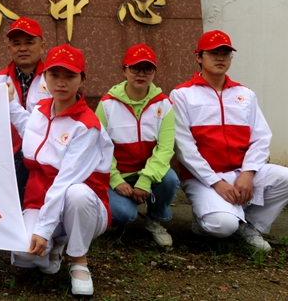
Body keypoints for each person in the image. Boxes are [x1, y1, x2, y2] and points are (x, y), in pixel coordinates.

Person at [172, 30, 288, 252]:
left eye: (225, 53)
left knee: (285, 177)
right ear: (199, 57)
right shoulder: (182, 94)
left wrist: (248, 172)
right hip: (203, 178)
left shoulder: (245, 94)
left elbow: (261, 137)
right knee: (222, 226)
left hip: (240, 172)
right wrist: (216, 182)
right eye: (213, 53)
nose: (220, 58)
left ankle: (249, 224)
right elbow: (184, 147)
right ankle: (205, 219)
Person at [11, 45, 113, 297]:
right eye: (54, 75)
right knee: (23, 250)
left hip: (84, 207)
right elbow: (28, 128)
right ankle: (56, 246)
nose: (61, 83)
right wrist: (9, 102)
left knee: (76, 193)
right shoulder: (40, 110)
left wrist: (43, 229)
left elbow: (65, 181)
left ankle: (79, 261)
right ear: (45, 76)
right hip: (40, 200)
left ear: (82, 79)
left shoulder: (87, 126)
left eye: (70, 76)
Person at [95, 44, 178, 247]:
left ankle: (154, 219)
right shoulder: (107, 104)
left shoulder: (164, 104)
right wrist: (115, 179)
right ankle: (116, 213)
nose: (141, 74)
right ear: (124, 70)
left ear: (154, 72)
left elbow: (166, 148)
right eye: (134, 68)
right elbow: (99, 147)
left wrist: (145, 180)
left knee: (170, 179)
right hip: (118, 176)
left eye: (147, 68)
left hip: (147, 175)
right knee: (124, 214)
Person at [0, 17, 50, 205]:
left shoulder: (54, 79)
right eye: (16, 44)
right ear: (9, 49)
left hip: (45, 155)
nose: (22, 48)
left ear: (42, 46)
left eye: (29, 42)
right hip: (6, 157)